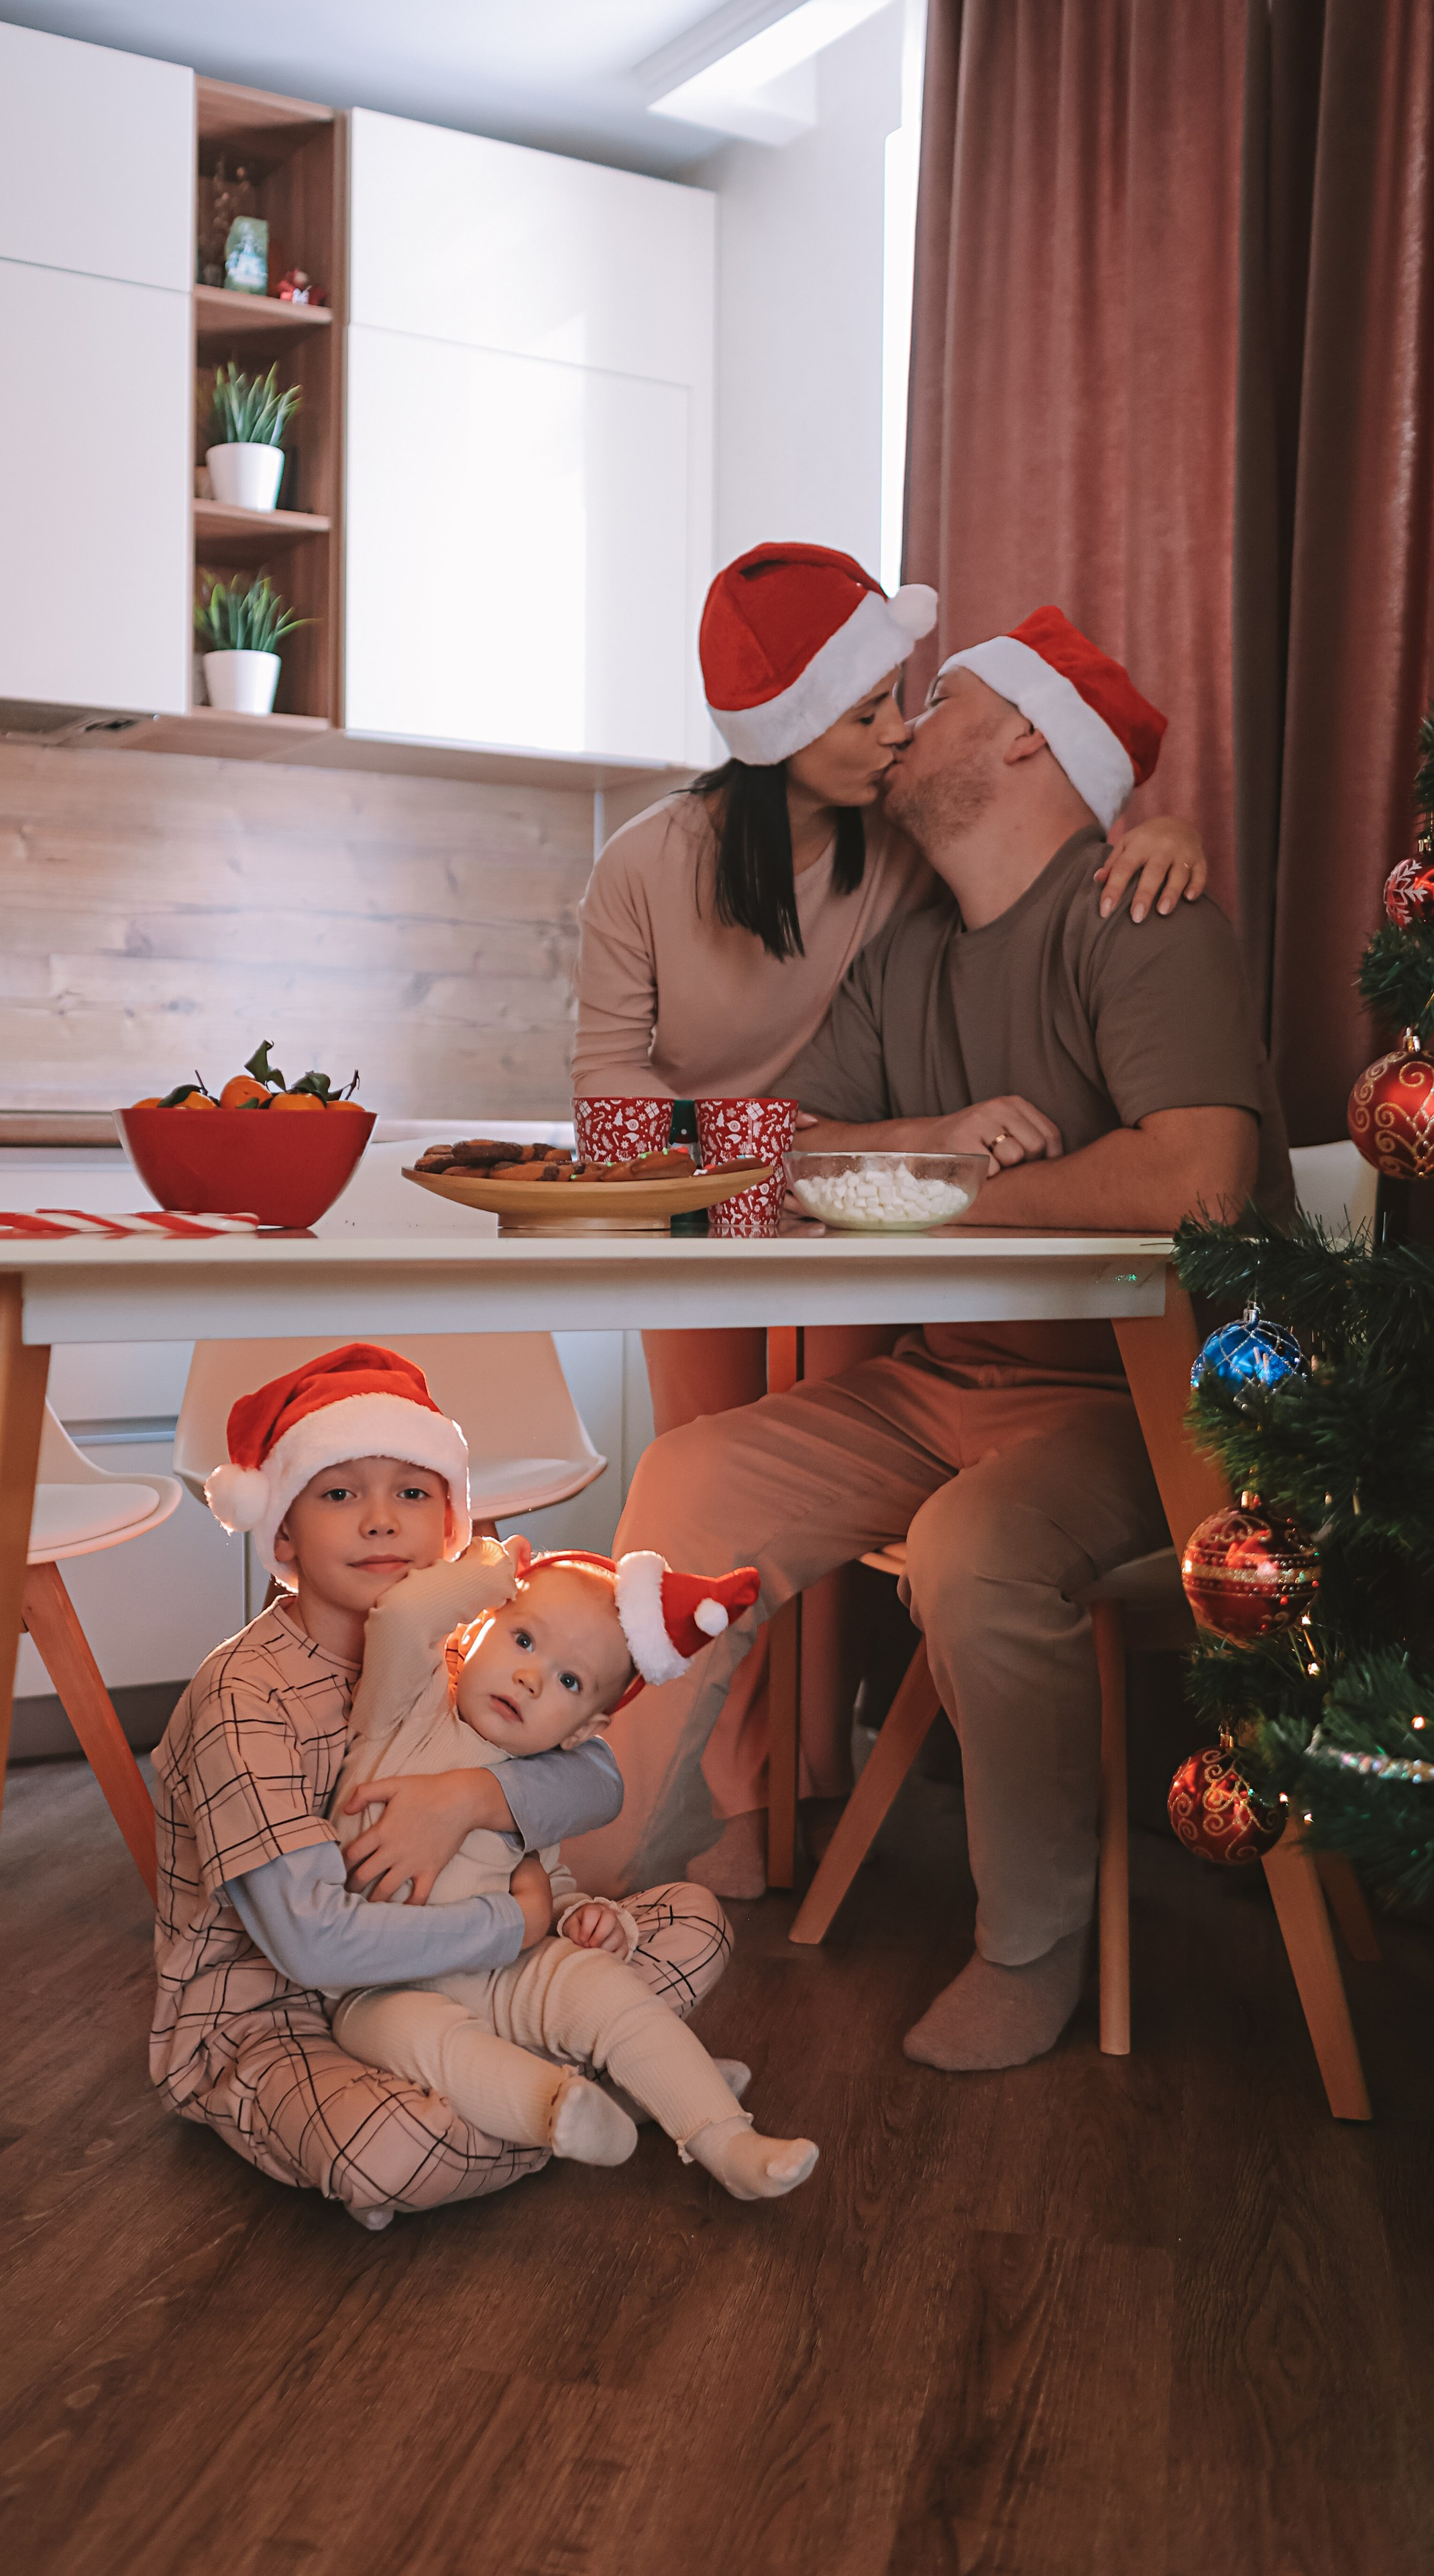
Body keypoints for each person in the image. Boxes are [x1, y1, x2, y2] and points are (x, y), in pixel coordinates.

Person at [564, 606, 1294, 2073]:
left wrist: (946, 1199)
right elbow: (793, 1159)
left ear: (1026, 736)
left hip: (1147, 1408)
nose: (906, 720)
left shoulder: (1141, 917)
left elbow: (1197, 1179)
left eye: (942, 697)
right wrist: (925, 1157)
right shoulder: (901, 959)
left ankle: (1028, 1950)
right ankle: (592, 1878)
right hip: (938, 1386)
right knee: (685, 1485)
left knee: (972, 1550)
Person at [150, 1343, 732, 2229]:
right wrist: (519, 1924)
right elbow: (310, 1949)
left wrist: (472, 1798)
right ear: (283, 1529)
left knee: (692, 1923)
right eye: (340, 1493)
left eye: (413, 1493)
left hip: (470, 1985)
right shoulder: (245, 1697)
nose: (382, 1522)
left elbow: (597, 1774)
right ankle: (613, 2084)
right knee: (389, 2147)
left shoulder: (462, 1647)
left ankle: (554, 2091)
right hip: (283, 2019)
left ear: (452, 1522)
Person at [329, 1538, 818, 2201]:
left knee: (599, 1988)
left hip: (499, 1973)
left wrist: (590, 1918)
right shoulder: (404, 1707)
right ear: (475, 1630)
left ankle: (726, 2141)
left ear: (581, 1732)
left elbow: (545, 1883)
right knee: (430, 2040)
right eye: (523, 1640)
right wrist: (493, 1573)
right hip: (376, 1986)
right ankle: (563, 2111)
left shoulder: (534, 1780)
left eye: (568, 1682)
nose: (531, 1678)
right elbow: (403, 1616)